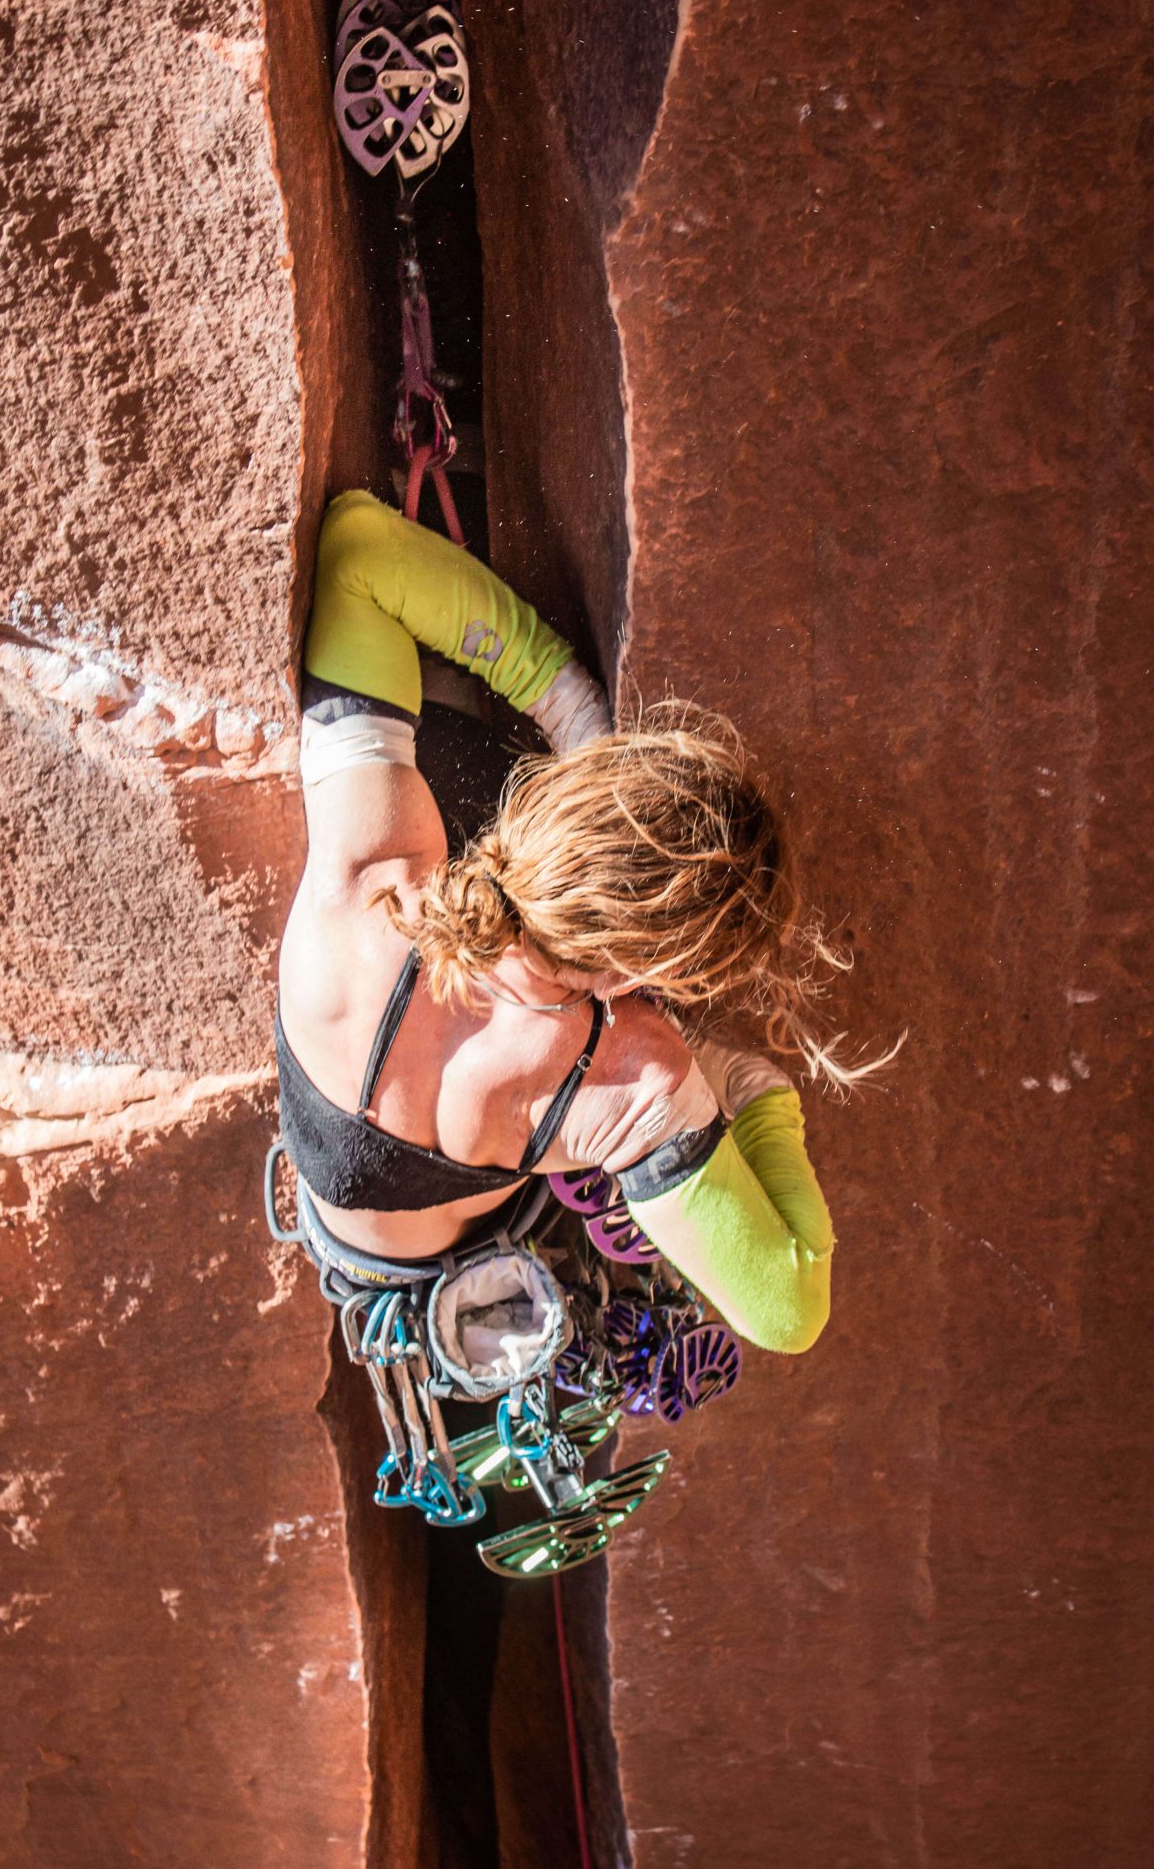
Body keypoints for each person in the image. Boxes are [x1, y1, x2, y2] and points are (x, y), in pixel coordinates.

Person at [276, 490, 869, 1354]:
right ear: (639, 974)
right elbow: (785, 1311)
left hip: (355, 1225)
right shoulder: (634, 1077)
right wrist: (747, 1091)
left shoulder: (369, 874)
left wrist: (564, 705)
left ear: (556, 801)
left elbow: (358, 553)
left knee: (452, 756)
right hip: (467, 1241)